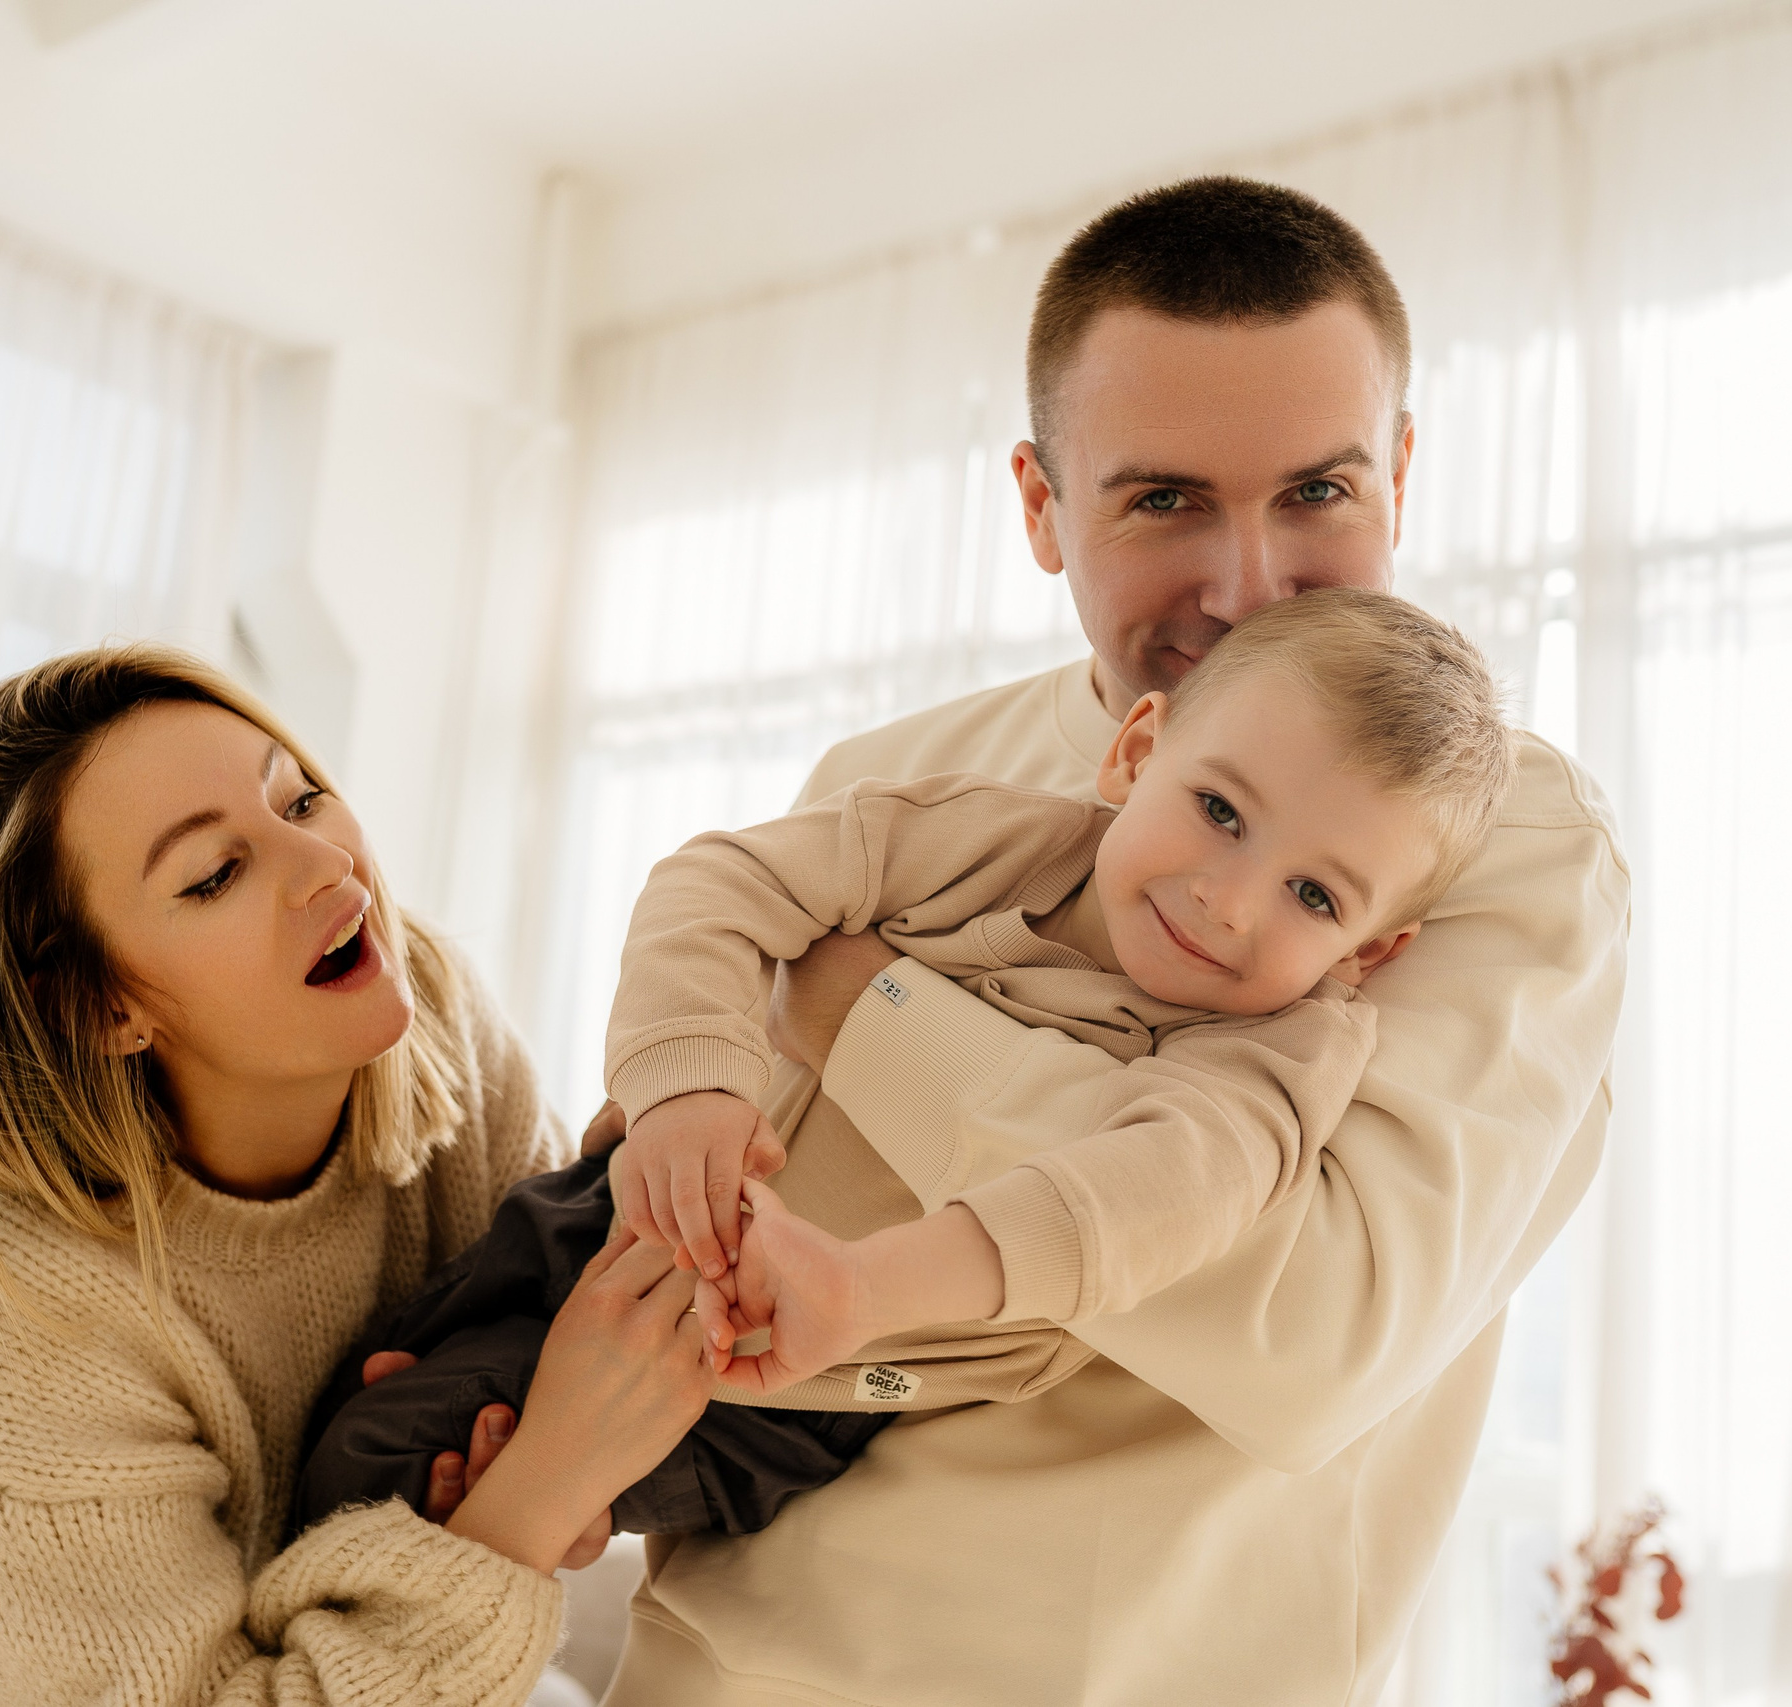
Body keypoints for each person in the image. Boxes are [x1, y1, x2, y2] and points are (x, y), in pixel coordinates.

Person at [601, 179, 1630, 1705]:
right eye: (1164, 500)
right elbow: (694, 1185)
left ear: (1399, 478)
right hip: (711, 1663)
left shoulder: (1506, 843)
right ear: (1039, 506)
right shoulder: (895, 773)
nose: (1248, 585)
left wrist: (854, 1005)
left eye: (1318, 494)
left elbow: (1310, 1331)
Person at [294, 589, 1510, 1538]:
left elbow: (1146, 1202)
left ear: (1373, 949)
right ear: (1137, 752)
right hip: (629, 1205)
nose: (1228, 900)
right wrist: (692, 1084)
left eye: (1311, 893)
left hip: (797, 1383)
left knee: (380, 1459)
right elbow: (721, 881)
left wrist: (864, 1289)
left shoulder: (1278, 1051)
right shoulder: (992, 838)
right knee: (358, 1380)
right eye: (1220, 811)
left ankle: (486, 1522)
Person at [0, 646, 715, 1707]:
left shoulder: (430, 1020)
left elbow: (560, 1334)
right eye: (215, 874)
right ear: (96, 1007)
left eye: (303, 797)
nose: (329, 870)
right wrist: (536, 1494)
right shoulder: (3, 1326)